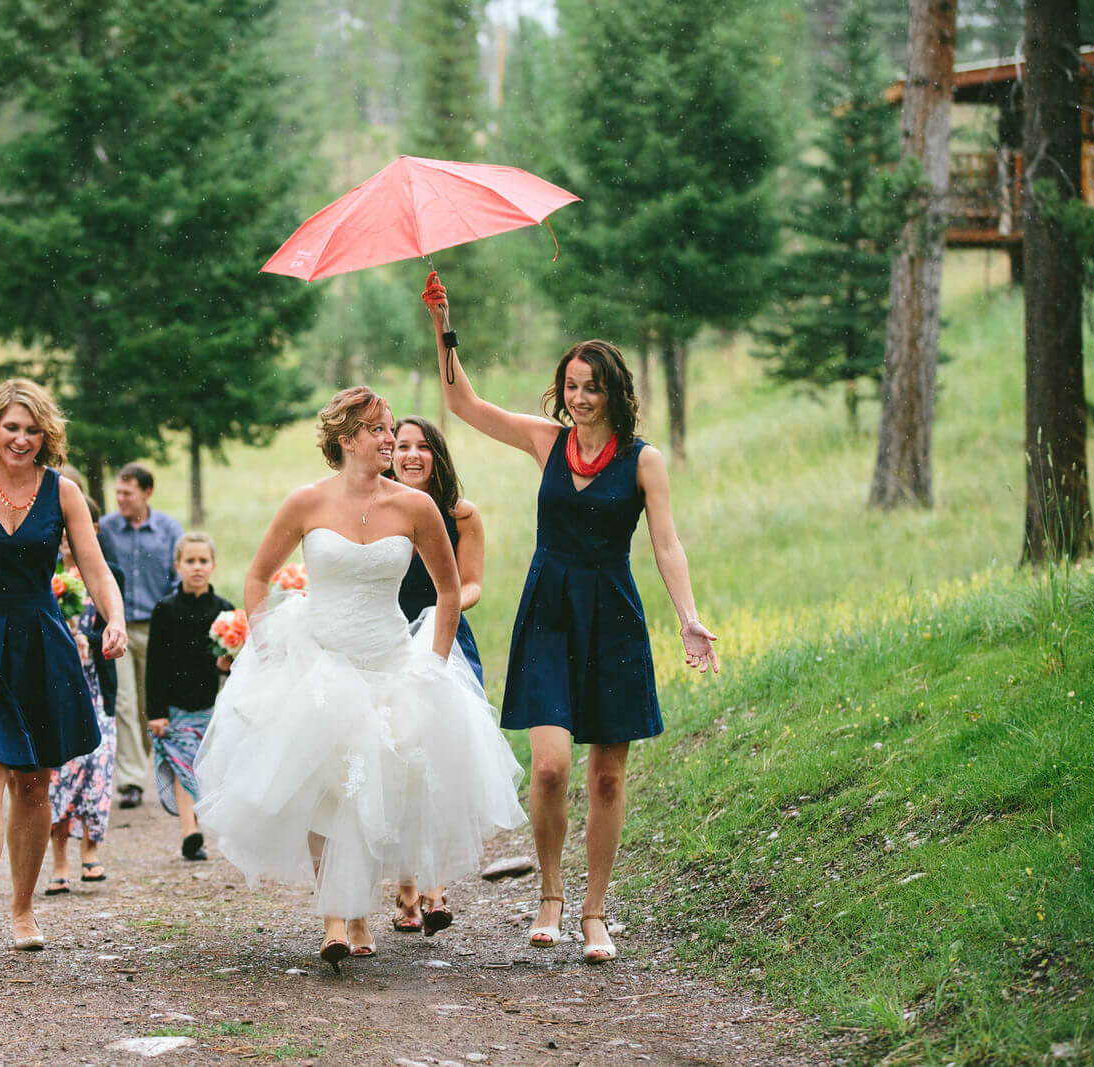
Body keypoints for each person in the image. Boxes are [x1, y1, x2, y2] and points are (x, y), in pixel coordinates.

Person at [422, 273, 719, 964]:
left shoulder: (646, 461)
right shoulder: (546, 442)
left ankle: (594, 910)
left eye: (591, 387)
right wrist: (444, 323)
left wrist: (689, 618)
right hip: (551, 609)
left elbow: (667, 543)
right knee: (551, 767)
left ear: (614, 392)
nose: (579, 397)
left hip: (612, 613)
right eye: (572, 385)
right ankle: (550, 893)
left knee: (608, 776)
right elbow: (461, 402)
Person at [194, 387, 525, 971]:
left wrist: (432, 663)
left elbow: (449, 593)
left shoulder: (415, 509)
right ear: (347, 438)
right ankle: (334, 919)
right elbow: (256, 577)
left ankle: (361, 911)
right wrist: (267, 644)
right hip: (318, 657)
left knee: (380, 788)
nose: (390, 439)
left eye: (390, 428)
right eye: (378, 430)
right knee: (324, 786)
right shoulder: (305, 502)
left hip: (390, 658)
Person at [0, 378, 127, 960]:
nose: (22, 438)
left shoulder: (63, 493)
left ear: (46, 434)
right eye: (13, 427)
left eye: (33, 429)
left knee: (33, 781)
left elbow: (95, 567)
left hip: (39, 640)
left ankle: (23, 907)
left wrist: (115, 619)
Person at [384, 415, 486, 936]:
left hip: (444, 642)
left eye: (423, 446)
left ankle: (436, 887)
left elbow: (470, 585)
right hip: (385, 641)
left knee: (440, 761)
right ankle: (404, 889)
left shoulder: (460, 515)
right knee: (398, 763)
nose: (411, 455)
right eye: (402, 446)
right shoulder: (376, 509)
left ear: (437, 455)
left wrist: (438, 617)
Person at [45, 481, 123, 893]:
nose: (64, 537)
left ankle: (91, 851)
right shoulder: (46, 574)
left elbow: (112, 629)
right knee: (60, 772)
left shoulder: (111, 576)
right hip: (58, 689)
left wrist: (88, 642)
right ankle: (58, 860)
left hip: (97, 688)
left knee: (98, 767)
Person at [96, 462, 183, 809]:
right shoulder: (106, 529)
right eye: (117, 492)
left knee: (151, 704)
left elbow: (178, 578)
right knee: (124, 703)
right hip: (116, 626)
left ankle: (144, 764)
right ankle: (131, 779)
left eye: (127, 493)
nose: (120, 499)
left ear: (147, 493)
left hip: (156, 628)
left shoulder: (168, 529)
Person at [145, 532, 233, 862]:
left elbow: (235, 661)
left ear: (212, 566)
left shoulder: (224, 612)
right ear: (177, 565)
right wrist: (155, 711)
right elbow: (154, 664)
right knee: (182, 767)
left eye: (203, 561)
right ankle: (189, 831)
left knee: (202, 769)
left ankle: (198, 824)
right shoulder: (165, 610)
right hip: (175, 706)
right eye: (190, 561)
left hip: (209, 705)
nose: (197, 567)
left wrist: (228, 665)